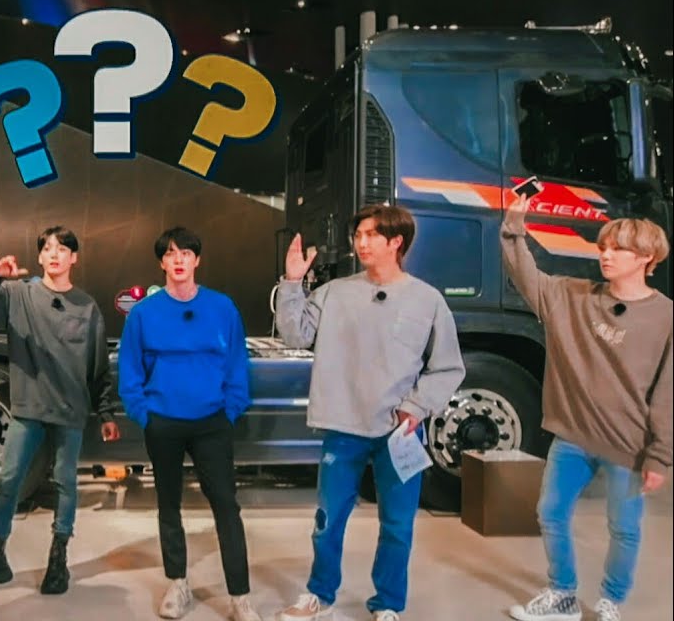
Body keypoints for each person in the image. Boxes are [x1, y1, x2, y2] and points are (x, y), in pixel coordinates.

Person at [276, 204, 465, 621]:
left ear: (396, 242)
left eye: (371, 235)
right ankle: (320, 594)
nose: (361, 243)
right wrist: (292, 283)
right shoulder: (335, 292)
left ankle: (388, 604)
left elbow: (448, 367)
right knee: (328, 520)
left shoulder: (427, 300)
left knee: (397, 525)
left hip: (399, 432)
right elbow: (295, 335)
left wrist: (416, 407)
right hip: (342, 427)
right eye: (358, 235)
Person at [502, 195, 671, 621]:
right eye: (604, 247)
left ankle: (611, 601)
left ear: (647, 257)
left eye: (619, 249)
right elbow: (525, 275)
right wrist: (513, 228)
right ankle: (562, 594)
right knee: (550, 513)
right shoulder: (571, 296)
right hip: (572, 437)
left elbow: (668, 392)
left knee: (624, 528)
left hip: (628, 444)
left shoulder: (666, 317)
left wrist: (660, 456)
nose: (606, 255)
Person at [0, 227, 123, 596]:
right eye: (47, 248)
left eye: (62, 249)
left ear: (73, 258)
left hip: (70, 410)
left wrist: (107, 413)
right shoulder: (19, 294)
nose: (54, 254)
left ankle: (58, 559)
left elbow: (97, 367)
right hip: (28, 408)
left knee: (66, 484)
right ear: (40, 257)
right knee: (8, 481)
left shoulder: (87, 307)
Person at [117, 227, 260, 621]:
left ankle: (240, 596)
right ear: (161, 263)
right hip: (163, 422)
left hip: (212, 422)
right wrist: (144, 414)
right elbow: (130, 370)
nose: (178, 259)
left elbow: (237, 365)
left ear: (197, 260)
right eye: (170, 253)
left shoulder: (222, 307)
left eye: (185, 253)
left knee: (226, 506)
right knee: (168, 504)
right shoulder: (143, 313)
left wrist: (230, 409)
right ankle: (177, 582)